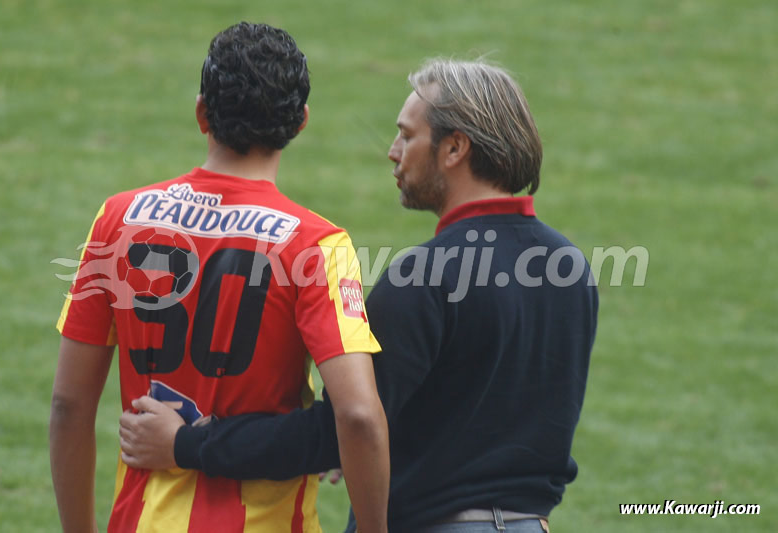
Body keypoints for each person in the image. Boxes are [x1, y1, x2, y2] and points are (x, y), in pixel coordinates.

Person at [119, 59, 598, 532]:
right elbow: (480, 406)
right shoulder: (571, 268)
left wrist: (185, 444)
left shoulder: (424, 277)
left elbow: (344, 427)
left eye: (408, 136)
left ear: (454, 148)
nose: (393, 152)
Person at [50, 21, 389, 533]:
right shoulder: (315, 245)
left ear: (201, 113)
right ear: (300, 122)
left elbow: (68, 404)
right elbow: (359, 416)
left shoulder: (119, 219)